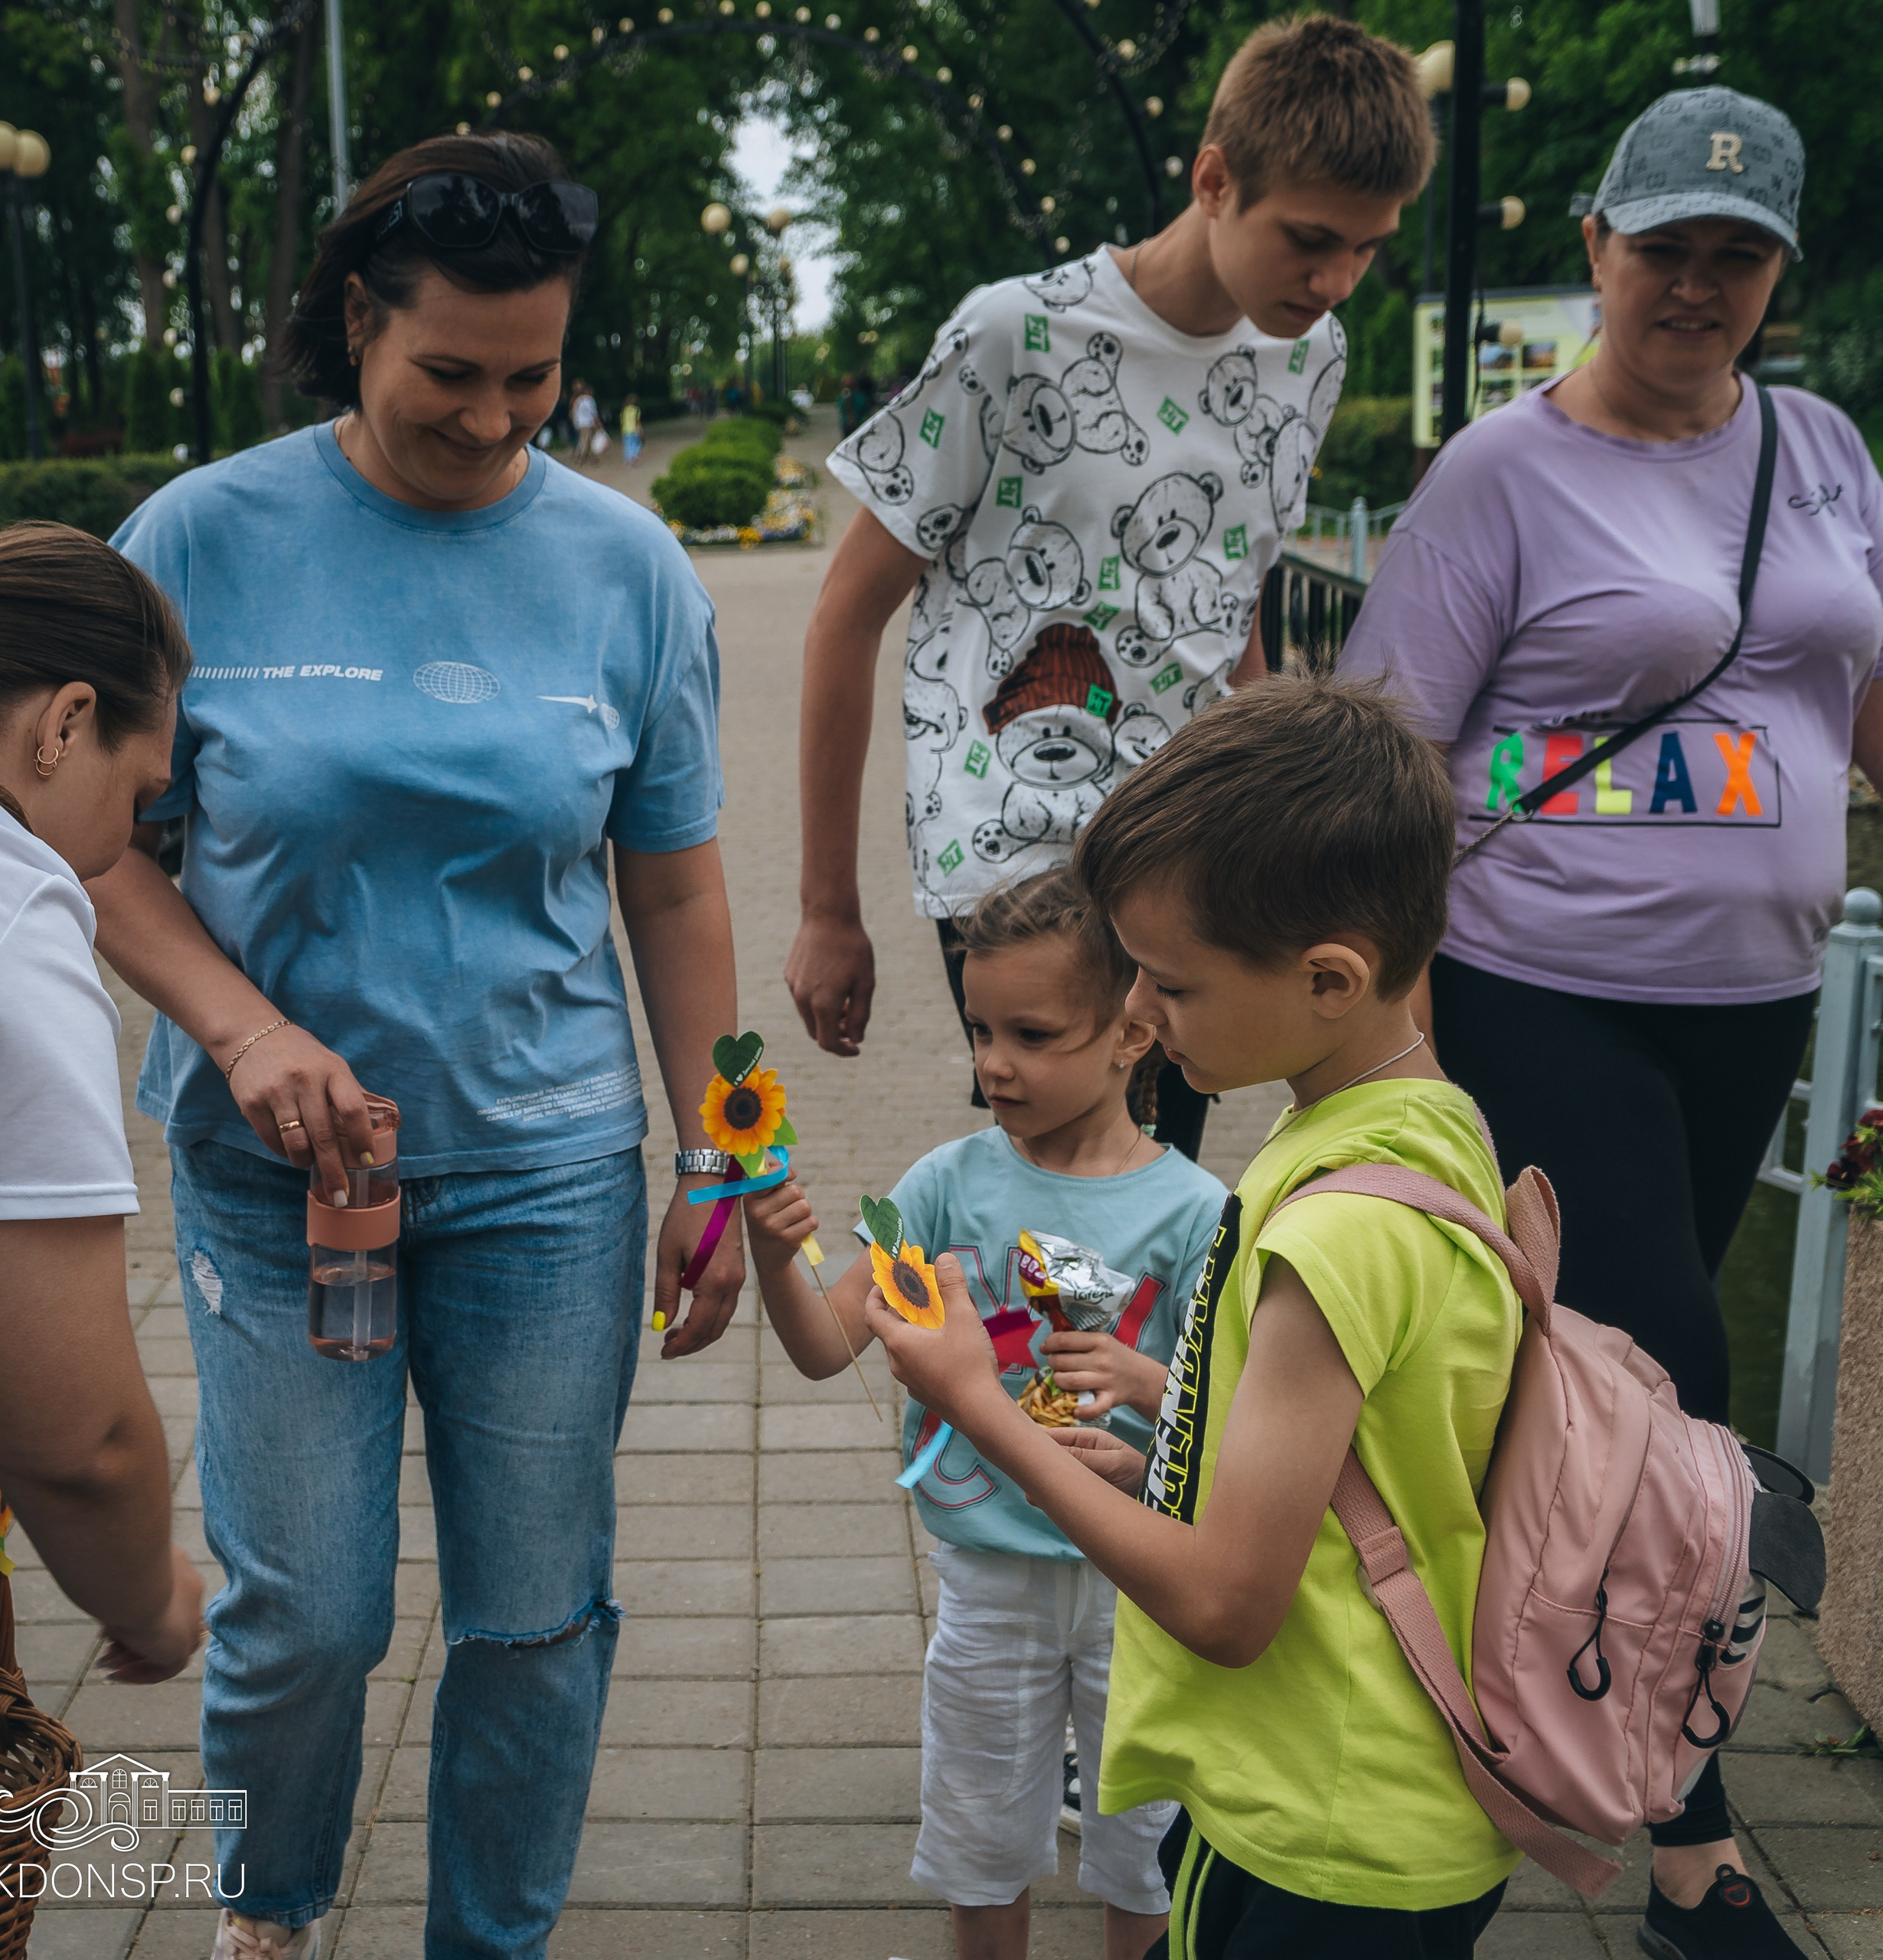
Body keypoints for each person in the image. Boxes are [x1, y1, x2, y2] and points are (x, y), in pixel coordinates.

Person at [94, 130, 744, 1960]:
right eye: (447, 370)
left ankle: (493, 1935)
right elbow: (89, 856)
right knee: (304, 1609)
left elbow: (679, 901)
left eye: (532, 374)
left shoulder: (628, 569)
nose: (490, 416)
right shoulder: (198, 539)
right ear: (357, 321)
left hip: (547, 1173)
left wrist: (728, 1164)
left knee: (534, 1611)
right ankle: (269, 1906)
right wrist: (236, 1026)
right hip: (272, 1173)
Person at [1337, 88, 1881, 1959]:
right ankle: (1684, 1846)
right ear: (1593, 248)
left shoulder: (1815, 449)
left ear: (1773, 275)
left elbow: (1855, 688)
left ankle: (1479, 1657)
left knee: (1576, 1390)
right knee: (1673, 1394)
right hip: (1536, 979)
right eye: (1661, 247)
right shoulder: (1501, 471)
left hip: (1756, 997)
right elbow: (1390, 753)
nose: (1694, 285)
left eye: (1734, 255)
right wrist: (1392, 1034)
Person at [866, 680, 1526, 1959]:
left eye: (1170, 983)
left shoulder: (1330, 1225)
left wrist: (975, 1406)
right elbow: (1370, 1435)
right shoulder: (1430, 1129)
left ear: (1330, 978)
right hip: (1404, 1789)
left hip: (1312, 1822)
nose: (1142, 1017)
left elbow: (1226, 1605)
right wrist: (1175, 1410)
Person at [785, 15, 1435, 1164]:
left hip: (1189, 840)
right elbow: (845, 616)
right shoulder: (1014, 334)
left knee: (1143, 1183)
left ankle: (1083, 1352)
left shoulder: (1313, 357)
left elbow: (1235, 602)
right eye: (1309, 239)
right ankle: (1042, 1351)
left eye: (1369, 249)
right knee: (1085, 1171)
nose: (1336, 281)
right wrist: (828, 908)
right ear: (1215, 178)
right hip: (1007, 837)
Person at [745, 866, 1225, 1960]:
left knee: (1146, 1848)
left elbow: (1237, 1412)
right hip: (988, 1583)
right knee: (980, 1841)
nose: (993, 1063)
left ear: (1131, 1033)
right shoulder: (944, 1187)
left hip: (1138, 1586)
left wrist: (1148, 1384)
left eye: (1032, 1034)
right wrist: (774, 1259)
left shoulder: (1198, 1211)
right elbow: (826, 1347)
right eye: (978, 1029)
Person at [0, 524, 206, 1687]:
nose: (134, 843)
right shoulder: (0, 915)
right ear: (66, 723)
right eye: (145, 794)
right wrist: (153, 1600)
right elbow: (76, 1437)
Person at [569, 378, 607, 465]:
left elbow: (574, 412)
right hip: (586, 423)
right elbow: (593, 413)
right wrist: (598, 423)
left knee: (587, 440)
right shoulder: (590, 400)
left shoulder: (578, 400)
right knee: (585, 441)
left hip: (579, 423)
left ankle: (592, 458)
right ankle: (581, 458)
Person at [621, 389, 644, 462]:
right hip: (634, 429)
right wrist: (641, 429)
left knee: (627, 445)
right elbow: (637, 421)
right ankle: (634, 456)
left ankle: (628, 458)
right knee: (637, 444)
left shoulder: (624, 409)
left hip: (625, 430)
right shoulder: (636, 409)